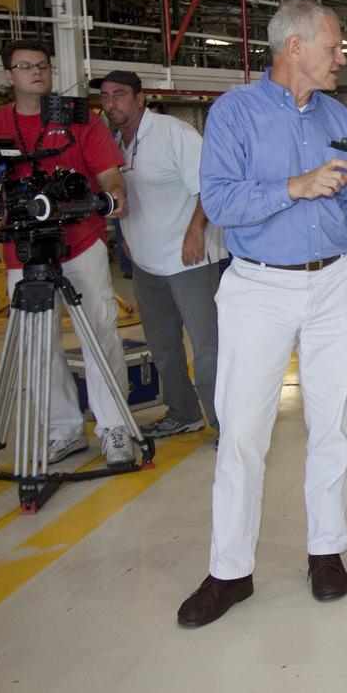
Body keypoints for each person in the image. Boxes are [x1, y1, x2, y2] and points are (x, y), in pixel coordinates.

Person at [177, 0, 347, 628]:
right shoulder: (235, 113)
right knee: (242, 431)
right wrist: (294, 185)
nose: (341, 58)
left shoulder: (337, 117)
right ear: (294, 47)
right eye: (333, 47)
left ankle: (327, 551)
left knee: (333, 424)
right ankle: (230, 570)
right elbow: (218, 200)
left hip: (334, 282)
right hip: (258, 286)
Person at [0, 41, 135, 466]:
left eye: (42, 65)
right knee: (38, 348)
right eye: (25, 66)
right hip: (23, 252)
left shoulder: (79, 119)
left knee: (100, 333)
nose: (35, 72)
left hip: (81, 243)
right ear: (8, 76)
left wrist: (111, 198)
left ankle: (114, 427)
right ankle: (64, 429)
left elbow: (111, 177)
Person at [94, 69, 224, 440]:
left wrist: (195, 231)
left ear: (139, 99)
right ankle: (184, 412)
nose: (110, 103)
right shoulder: (115, 142)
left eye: (118, 95)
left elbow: (208, 187)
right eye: (104, 96)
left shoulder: (173, 133)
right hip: (146, 263)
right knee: (163, 345)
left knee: (206, 346)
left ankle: (224, 422)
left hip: (189, 260)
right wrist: (125, 239)